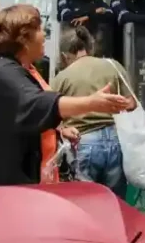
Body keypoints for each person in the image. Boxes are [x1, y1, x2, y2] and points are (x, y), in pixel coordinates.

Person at [0, 4, 130, 204]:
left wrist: (58, 130)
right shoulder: (3, 71)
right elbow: (36, 103)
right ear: (23, 38)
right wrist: (92, 102)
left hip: (7, 174)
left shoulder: (13, 67)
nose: (44, 36)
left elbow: (23, 113)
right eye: (39, 30)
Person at [52, 26, 135, 198]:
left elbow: (51, 113)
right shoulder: (113, 66)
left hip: (83, 142)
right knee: (115, 203)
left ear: (64, 55)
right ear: (91, 47)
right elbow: (131, 104)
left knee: (88, 205)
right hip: (116, 140)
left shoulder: (62, 77)